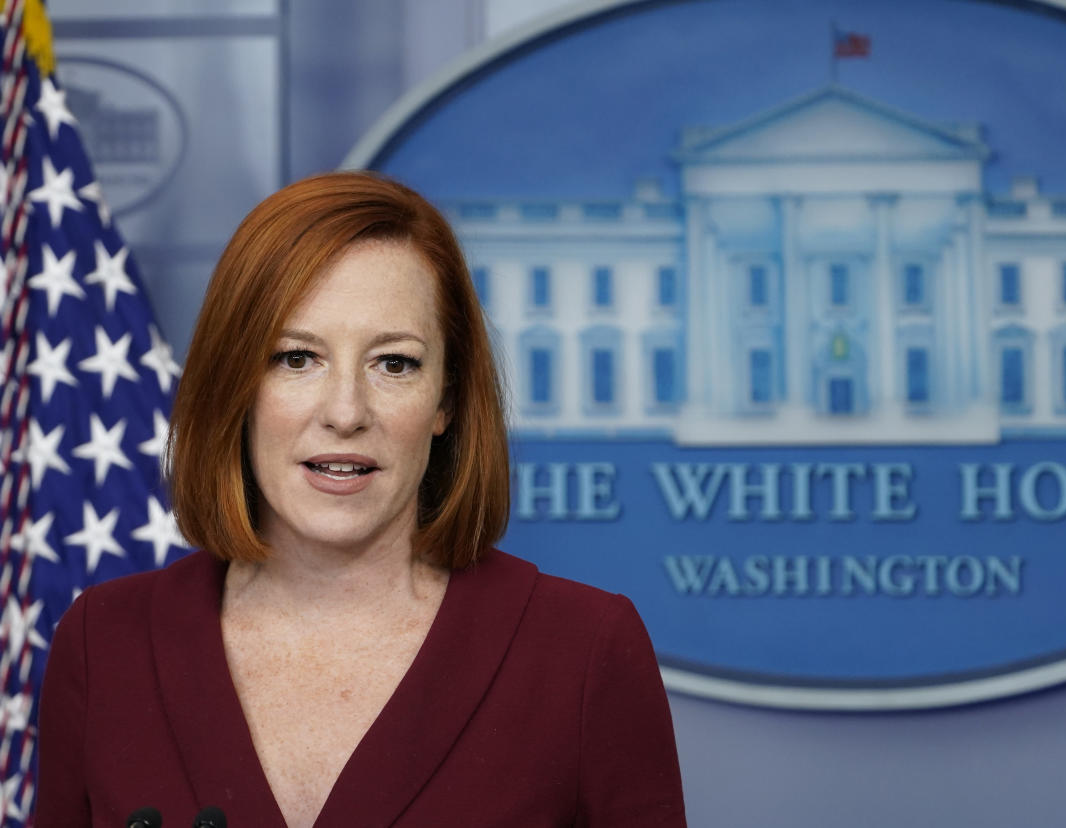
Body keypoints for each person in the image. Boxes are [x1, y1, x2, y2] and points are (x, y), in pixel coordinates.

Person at [35, 172, 687, 827]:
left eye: (394, 363)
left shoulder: (583, 651)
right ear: (234, 382)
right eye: (296, 358)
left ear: (447, 400)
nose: (345, 412)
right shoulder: (104, 645)